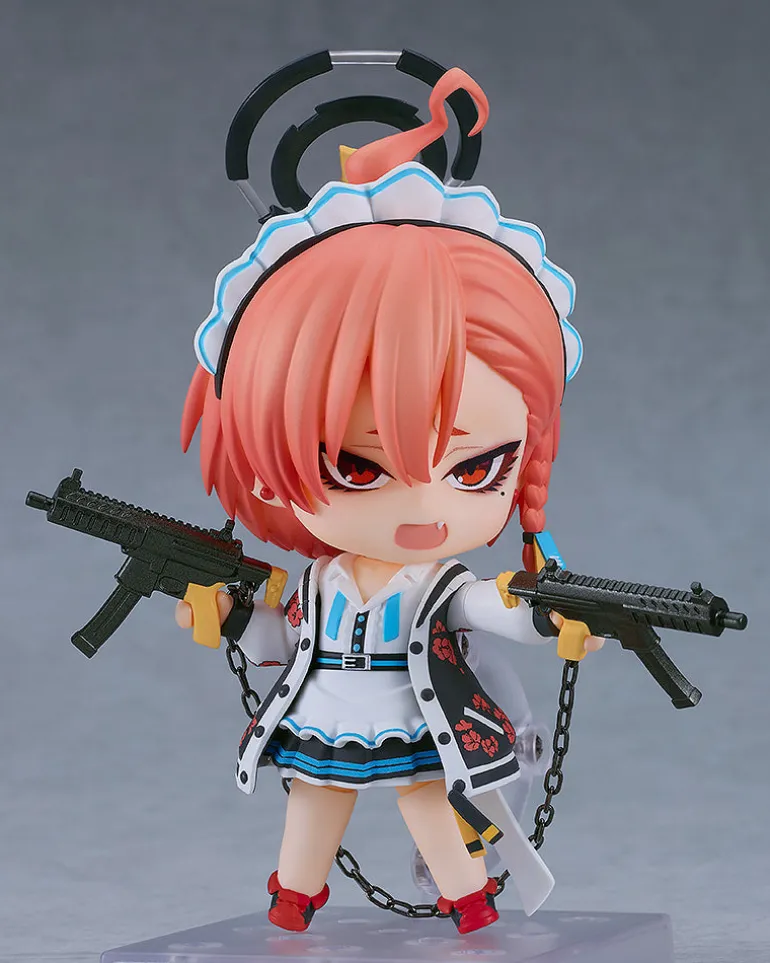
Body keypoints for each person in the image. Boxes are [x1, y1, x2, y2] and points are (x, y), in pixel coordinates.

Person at [177, 66, 603, 935]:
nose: (425, 504)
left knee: (425, 800)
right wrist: (226, 616)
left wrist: (549, 617)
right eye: (359, 468)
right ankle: (293, 896)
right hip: (325, 711)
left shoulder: (434, 585)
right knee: (313, 802)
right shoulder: (321, 581)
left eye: (476, 469)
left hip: (412, 718)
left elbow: (490, 608)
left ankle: (468, 898)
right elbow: (282, 639)